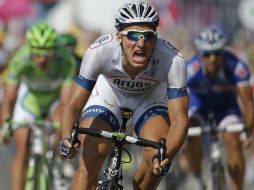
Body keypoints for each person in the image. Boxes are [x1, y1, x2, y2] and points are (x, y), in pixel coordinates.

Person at [59, 1, 189, 190]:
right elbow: (73, 106)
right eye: (134, 35)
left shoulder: (173, 59)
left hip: (149, 98)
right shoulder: (99, 51)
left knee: (155, 155)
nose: (141, 43)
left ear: (155, 38)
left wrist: (165, 156)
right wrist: (66, 139)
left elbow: (180, 120)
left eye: (148, 36)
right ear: (119, 36)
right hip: (109, 93)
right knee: (92, 154)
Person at [0, 21, 77, 190]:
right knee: (22, 146)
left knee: (60, 122)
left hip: (54, 100)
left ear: (55, 51)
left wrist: (63, 132)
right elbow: (10, 98)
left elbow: (66, 103)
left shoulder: (66, 61)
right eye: (36, 55)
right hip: (30, 101)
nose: (41, 60)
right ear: (30, 51)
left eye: (47, 55)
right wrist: (6, 124)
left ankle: (58, 160)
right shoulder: (20, 58)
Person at [184, 26, 254, 190]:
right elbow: (178, 103)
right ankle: (198, 176)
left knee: (233, 140)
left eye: (217, 53)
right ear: (200, 55)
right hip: (199, 104)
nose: (213, 58)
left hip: (226, 107)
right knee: (191, 133)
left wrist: (248, 132)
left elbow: (248, 103)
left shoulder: (237, 66)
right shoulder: (189, 69)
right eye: (207, 54)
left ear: (224, 51)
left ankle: (238, 187)